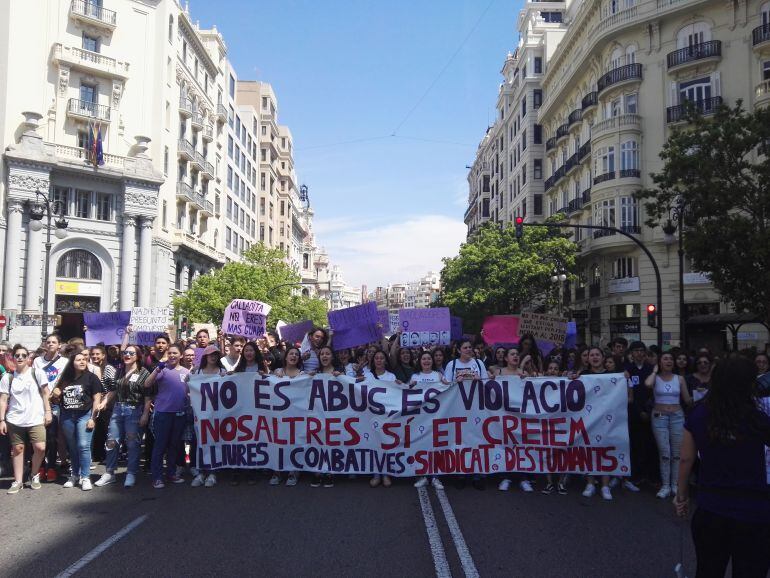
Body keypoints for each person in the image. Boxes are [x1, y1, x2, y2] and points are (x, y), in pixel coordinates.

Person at [675, 357, 770, 577]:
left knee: (708, 570)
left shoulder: (698, 414)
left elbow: (686, 459)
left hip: (712, 507)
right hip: (754, 510)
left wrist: (681, 496)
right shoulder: (758, 417)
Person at [95, 345, 151, 488]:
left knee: (133, 443)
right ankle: (110, 472)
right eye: (125, 352)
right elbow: (113, 390)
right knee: (111, 441)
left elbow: (147, 396)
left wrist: (145, 414)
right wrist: (104, 402)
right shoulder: (119, 371)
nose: (127, 355)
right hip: (118, 409)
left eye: (131, 353)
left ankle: (131, 472)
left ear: (137, 356)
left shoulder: (144, 373)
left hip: (134, 410)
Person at [0, 345, 51, 494]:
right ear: (13, 358)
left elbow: (45, 394)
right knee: (17, 449)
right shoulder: (7, 377)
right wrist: (2, 420)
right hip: (14, 419)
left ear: (28, 358)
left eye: (24, 355)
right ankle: (18, 481)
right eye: (17, 355)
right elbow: (3, 400)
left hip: (36, 417)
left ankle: (34, 474)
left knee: (40, 448)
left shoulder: (37, 373)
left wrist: (48, 412)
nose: (21, 358)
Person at [52, 350, 103, 491]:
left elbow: (96, 399)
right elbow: (55, 398)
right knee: (73, 447)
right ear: (72, 363)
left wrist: (93, 418)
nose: (82, 361)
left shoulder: (91, 377)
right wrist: (56, 394)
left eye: (84, 359)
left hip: (85, 415)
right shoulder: (64, 379)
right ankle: (75, 475)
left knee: (83, 445)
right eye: (78, 359)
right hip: (67, 416)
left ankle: (85, 477)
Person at [645, 352, 692, 499]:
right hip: (659, 416)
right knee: (665, 452)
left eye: (671, 359)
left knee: (677, 453)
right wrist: (654, 370)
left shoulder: (680, 379)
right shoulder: (656, 378)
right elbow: (647, 384)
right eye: (665, 358)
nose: (669, 361)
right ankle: (665, 485)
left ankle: (675, 485)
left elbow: (687, 399)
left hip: (677, 416)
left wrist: (701, 395)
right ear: (660, 361)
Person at [144, 344, 189, 489]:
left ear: (181, 355)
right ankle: (157, 477)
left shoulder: (187, 372)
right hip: (163, 414)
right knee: (160, 445)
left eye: (175, 353)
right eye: (170, 353)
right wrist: (157, 369)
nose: (172, 355)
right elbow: (147, 384)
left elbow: (190, 391)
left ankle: (171, 473)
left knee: (174, 445)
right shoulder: (162, 370)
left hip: (180, 414)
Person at [580, 347, 615, 500]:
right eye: (591, 355)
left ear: (602, 357)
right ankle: (590, 482)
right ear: (588, 359)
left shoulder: (612, 375)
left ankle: (605, 485)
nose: (594, 357)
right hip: (588, 417)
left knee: (605, 450)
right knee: (589, 449)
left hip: (606, 418)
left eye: (597, 355)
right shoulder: (583, 375)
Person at [34, 333, 69, 482]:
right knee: (41, 437)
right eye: (48, 342)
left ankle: (52, 467)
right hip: (39, 402)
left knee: (53, 436)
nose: (50, 344)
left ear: (59, 345)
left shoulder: (65, 361)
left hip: (55, 402)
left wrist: (59, 390)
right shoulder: (37, 361)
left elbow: (66, 379)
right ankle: (41, 466)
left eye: (54, 342)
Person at [411, 351, 448, 490]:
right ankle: (423, 476)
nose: (426, 361)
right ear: (419, 361)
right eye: (423, 359)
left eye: (428, 359)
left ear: (432, 361)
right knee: (421, 446)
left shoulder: (438, 375)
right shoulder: (415, 376)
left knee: (436, 446)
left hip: (437, 416)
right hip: (420, 418)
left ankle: (436, 477)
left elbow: (449, 388)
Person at [189, 345, 225, 488]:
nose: (213, 356)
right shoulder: (197, 372)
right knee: (200, 443)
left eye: (216, 354)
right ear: (205, 356)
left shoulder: (223, 371)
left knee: (214, 442)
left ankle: (212, 473)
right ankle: (201, 472)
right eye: (210, 354)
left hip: (217, 415)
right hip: (200, 415)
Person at [624, 341, 656, 491]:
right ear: (631, 353)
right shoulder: (627, 370)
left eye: (641, 350)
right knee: (635, 444)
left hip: (650, 412)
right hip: (634, 413)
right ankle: (635, 474)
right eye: (636, 351)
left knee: (650, 443)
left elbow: (655, 392)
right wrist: (639, 412)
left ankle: (649, 474)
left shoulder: (651, 369)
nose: (639, 353)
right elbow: (628, 395)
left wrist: (648, 411)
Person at [270, 347, 304, 486]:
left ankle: (293, 471)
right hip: (279, 415)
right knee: (278, 442)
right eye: (291, 354)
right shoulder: (278, 372)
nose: (294, 356)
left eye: (296, 354)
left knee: (294, 442)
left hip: (296, 415)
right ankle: (277, 471)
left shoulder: (303, 374)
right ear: (285, 357)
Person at [366, 350, 398, 488]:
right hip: (370, 415)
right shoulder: (367, 375)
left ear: (385, 361)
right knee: (374, 445)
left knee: (386, 444)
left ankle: (386, 473)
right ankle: (376, 474)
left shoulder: (391, 377)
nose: (379, 360)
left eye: (381, 358)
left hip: (387, 416)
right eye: (376, 358)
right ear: (373, 361)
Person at [89, 345, 116, 464]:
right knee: (96, 428)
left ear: (103, 355)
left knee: (105, 429)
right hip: (93, 401)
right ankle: (96, 454)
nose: (95, 356)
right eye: (93, 354)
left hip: (106, 402)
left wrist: (105, 400)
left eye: (97, 354)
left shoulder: (108, 368)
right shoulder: (89, 368)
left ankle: (105, 455)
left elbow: (113, 388)